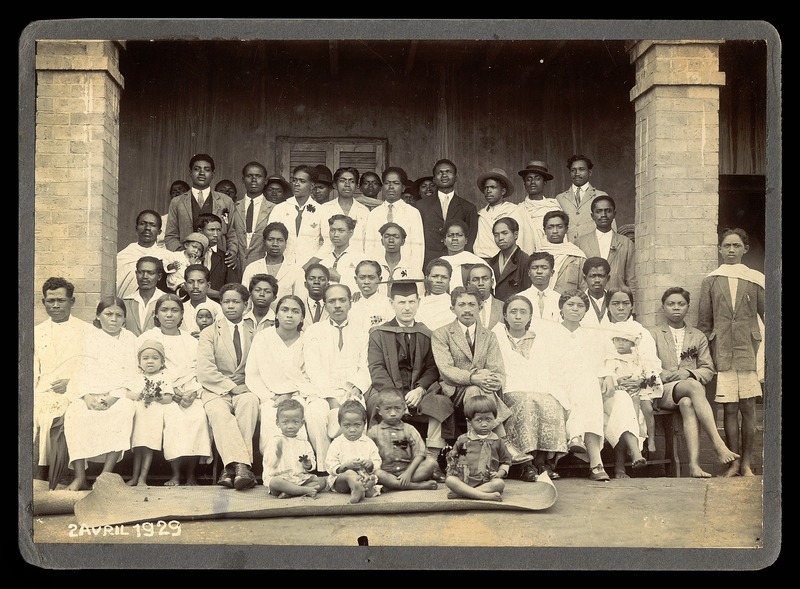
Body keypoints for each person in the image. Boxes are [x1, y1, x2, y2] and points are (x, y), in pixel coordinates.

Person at [365, 279, 455, 483]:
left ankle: (431, 461)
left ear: (418, 302)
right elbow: (376, 368)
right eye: (401, 302)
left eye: (411, 302)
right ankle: (385, 461)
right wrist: (396, 398)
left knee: (440, 402)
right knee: (377, 403)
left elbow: (433, 368)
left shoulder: (426, 334)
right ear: (391, 303)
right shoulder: (379, 334)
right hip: (388, 390)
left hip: (417, 392)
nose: (407, 307)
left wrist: (421, 389)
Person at [431, 285, 529, 463]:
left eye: (471, 304)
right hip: (454, 391)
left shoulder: (489, 336)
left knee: (476, 391)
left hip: (482, 390)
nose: (467, 309)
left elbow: (497, 371)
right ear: (452, 308)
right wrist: (474, 377)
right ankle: (504, 443)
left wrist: (492, 382)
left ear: (480, 307)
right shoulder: (441, 334)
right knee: (475, 388)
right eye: (461, 305)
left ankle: (477, 450)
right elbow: (446, 370)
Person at [651, 287, 740, 478]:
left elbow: (708, 369)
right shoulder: (654, 334)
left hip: (686, 393)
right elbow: (647, 365)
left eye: (681, 304)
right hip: (661, 390)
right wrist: (667, 374)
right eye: (671, 304)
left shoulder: (697, 336)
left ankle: (694, 465)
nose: (676, 308)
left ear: (687, 307)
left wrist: (688, 372)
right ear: (663, 307)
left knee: (688, 403)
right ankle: (718, 444)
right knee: (694, 385)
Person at [697, 228, 765, 477]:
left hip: (749, 349)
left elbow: (766, 315)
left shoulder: (755, 279)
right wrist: (706, 356)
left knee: (748, 408)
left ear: (745, 249)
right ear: (719, 249)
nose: (731, 250)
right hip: (722, 351)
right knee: (729, 409)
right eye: (727, 246)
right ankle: (733, 463)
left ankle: (747, 463)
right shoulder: (711, 280)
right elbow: (704, 322)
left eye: (736, 246)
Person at [245, 294, 331, 475]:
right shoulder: (263, 338)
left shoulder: (308, 339)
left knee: (317, 412)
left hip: (304, 393)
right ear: (276, 315)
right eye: (284, 310)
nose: (289, 315)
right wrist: (271, 397)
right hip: (271, 396)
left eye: (295, 311)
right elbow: (253, 374)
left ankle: (323, 469)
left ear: (302, 317)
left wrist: (293, 394)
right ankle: (275, 471)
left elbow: (315, 374)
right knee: (271, 415)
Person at [61, 296, 138, 491]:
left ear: (124, 319)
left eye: (119, 315)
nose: (114, 319)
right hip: (89, 394)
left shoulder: (131, 340)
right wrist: (86, 396)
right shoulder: (88, 338)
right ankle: (80, 477)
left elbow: (133, 374)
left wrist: (114, 397)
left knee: (124, 412)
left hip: (118, 395)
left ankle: (105, 475)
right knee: (75, 413)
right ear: (98, 316)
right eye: (108, 314)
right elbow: (79, 370)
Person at [136, 294, 213, 486]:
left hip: (189, 391)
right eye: (164, 310)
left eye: (174, 310)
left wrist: (193, 392)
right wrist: (174, 394)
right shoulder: (148, 337)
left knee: (198, 417)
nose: (169, 315)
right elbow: (145, 368)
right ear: (156, 314)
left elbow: (199, 370)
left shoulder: (191, 341)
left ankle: (192, 475)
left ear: (181, 315)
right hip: (163, 394)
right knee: (175, 420)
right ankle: (176, 474)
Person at [492, 295, 568, 482]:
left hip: (538, 385)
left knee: (551, 402)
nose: (518, 316)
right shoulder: (497, 337)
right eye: (513, 312)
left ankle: (543, 463)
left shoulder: (540, 339)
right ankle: (525, 465)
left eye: (523, 312)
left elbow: (548, 367)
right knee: (525, 402)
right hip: (510, 386)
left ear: (530, 316)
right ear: (505, 316)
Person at [196, 283, 260, 490]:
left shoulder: (255, 331)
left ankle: (229, 469)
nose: (230, 306)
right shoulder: (209, 332)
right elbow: (205, 370)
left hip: (246, 387)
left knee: (249, 404)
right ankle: (241, 466)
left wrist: (245, 386)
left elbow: (261, 363)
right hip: (217, 389)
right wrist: (231, 387)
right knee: (219, 413)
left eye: (235, 302)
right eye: (226, 302)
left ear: (246, 304)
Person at [33, 277, 95, 480]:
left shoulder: (86, 331)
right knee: (35, 416)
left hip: (75, 392)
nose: (56, 305)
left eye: (61, 300)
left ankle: (65, 474)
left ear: (72, 301)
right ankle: (37, 475)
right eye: (50, 301)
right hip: (43, 392)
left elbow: (92, 366)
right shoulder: (36, 332)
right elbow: (33, 370)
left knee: (66, 417)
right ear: (43, 302)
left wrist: (72, 383)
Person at [549, 289, 614, 481]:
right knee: (587, 390)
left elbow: (604, 361)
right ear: (561, 307)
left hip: (583, 384)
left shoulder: (592, 335)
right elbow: (544, 363)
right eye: (570, 304)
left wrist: (608, 374)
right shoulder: (550, 333)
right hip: (556, 384)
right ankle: (595, 463)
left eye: (580, 305)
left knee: (588, 384)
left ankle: (578, 439)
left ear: (586, 310)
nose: (575, 309)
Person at [303, 283, 372, 438]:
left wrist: (356, 388)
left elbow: (365, 364)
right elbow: (313, 368)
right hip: (321, 393)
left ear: (350, 303)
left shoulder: (361, 331)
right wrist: (331, 398)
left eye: (342, 300)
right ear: (325, 306)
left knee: (356, 416)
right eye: (332, 301)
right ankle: (323, 462)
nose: (338, 305)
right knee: (314, 415)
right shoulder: (314, 331)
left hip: (350, 391)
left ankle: (354, 461)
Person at [604, 285, 662, 454]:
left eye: (625, 303)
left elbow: (651, 364)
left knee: (641, 404)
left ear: (632, 305)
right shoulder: (601, 330)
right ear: (608, 306)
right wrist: (615, 380)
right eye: (615, 303)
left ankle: (638, 443)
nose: (621, 308)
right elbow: (601, 363)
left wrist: (639, 381)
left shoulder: (641, 332)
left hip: (639, 384)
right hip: (613, 386)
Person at [164, 154, 241, 278]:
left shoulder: (225, 201)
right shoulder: (177, 202)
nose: (201, 173)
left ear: (213, 174)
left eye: (207, 169)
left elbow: (232, 232)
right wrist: (183, 255)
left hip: (218, 261)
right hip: (186, 262)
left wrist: (232, 252)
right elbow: (171, 235)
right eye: (197, 169)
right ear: (190, 172)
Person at [601, 320, 653, 479]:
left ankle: (620, 468)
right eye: (617, 340)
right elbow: (606, 378)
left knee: (623, 417)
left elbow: (652, 378)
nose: (620, 344)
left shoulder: (639, 359)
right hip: (613, 398)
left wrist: (639, 383)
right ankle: (634, 452)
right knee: (622, 410)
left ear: (632, 342)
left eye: (624, 340)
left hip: (637, 399)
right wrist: (618, 383)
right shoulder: (609, 359)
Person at [122, 339, 175, 487]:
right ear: (139, 362)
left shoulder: (164, 377)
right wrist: (137, 395)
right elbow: (128, 393)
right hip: (139, 418)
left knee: (148, 448)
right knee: (138, 447)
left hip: (153, 418)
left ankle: (142, 478)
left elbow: (168, 398)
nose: (150, 361)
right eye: (145, 358)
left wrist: (156, 397)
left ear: (162, 361)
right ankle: (134, 477)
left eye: (155, 358)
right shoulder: (137, 377)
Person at [367, 389, 440, 491]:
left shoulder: (409, 429)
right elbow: (367, 453)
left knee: (431, 463)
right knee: (378, 474)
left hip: (409, 471)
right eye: (387, 409)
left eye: (397, 408)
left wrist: (408, 473)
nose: (393, 413)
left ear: (404, 408)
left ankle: (393, 485)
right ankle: (417, 486)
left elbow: (420, 453)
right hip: (386, 472)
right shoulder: (374, 431)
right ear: (379, 411)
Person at [414, 158, 479, 270]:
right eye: (440, 172)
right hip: (428, 263)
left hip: (458, 262)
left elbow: (471, 239)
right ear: (434, 179)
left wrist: (465, 263)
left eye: (448, 172)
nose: (444, 175)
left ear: (456, 177)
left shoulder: (468, 208)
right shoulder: (420, 206)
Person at [445, 395, 513, 501]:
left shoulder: (498, 441)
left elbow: (506, 462)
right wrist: (453, 468)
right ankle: (484, 496)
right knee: (450, 480)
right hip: (465, 480)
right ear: (469, 421)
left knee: (499, 484)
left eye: (489, 419)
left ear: (494, 419)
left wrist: (499, 474)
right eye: (479, 420)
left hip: (487, 482)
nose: (484, 424)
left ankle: (464, 494)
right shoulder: (462, 440)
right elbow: (453, 458)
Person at [262, 398, 328, 498]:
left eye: (295, 422)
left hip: (300, 478)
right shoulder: (274, 441)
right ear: (278, 423)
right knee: (275, 482)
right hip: (281, 478)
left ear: (302, 423)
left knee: (322, 481)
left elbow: (311, 462)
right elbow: (269, 465)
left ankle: (291, 492)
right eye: (285, 422)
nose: (290, 426)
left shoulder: (304, 442)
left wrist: (308, 465)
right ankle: (303, 491)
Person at [363, 167, 425, 274]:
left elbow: (417, 247)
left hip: (406, 270)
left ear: (403, 187)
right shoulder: (374, 214)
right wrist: (372, 272)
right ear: (382, 187)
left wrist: (414, 273)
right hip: (379, 270)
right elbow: (369, 246)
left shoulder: (412, 213)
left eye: (396, 183)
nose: (391, 187)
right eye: (387, 183)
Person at [266, 164, 326, 267]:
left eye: (302, 181)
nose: (296, 184)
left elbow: (328, 243)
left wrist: (310, 264)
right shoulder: (280, 209)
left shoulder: (322, 211)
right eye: (294, 180)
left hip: (309, 268)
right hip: (282, 265)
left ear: (312, 186)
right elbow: (270, 238)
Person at [575, 195, 636, 296]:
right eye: (598, 211)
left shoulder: (626, 243)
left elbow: (632, 279)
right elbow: (577, 277)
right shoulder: (581, 242)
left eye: (608, 211)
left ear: (614, 214)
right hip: (588, 299)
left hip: (616, 298)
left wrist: (632, 308)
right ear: (592, 215)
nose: (603, 215)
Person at [325, 400, 382, 503]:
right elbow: (330, 465)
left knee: (371, 477)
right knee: (350, 473)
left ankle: (363, 489)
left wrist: (370, 464)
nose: (352, 430)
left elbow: (377, 460)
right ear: (340, 424)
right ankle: (357, 488)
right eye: (347, 426)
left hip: (363, 475)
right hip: (342, 481)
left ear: (364, 424)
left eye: (357, 425)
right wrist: (345, 466)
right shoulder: (337, 443)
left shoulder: (368, 442)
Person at [474, 167, 532, 259]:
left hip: (505, 259)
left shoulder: (513, 211)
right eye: (486, 188)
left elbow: (521, 239)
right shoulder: (481, 214)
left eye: (493, 187)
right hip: (481, 260)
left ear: (503, 191)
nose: (488, 191)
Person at [240, 221, 304, 303]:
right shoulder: (252, 268)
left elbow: (300, 301)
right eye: (270, 239)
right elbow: (245, 300)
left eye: (280, 240)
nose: (275, 244)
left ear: (286, 243)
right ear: (264, 242)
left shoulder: (296, 271)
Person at [555, 154, 614, 242]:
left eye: (581, 169)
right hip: (569, 248)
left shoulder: (601, 196)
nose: (577, 173)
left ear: (590, 172)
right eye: (573, 170)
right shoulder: (560, 198)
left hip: (593, 247)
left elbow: (611, 226)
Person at [116, 210, 169, 300]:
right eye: (143, 223)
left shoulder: (167, 256)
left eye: (152, 225)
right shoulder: (123, 256)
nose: (147, 228)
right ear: (136, 228)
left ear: (159, 231)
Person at [236, 161, 276, 271]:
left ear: (265, 180)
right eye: (249, 176)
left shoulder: (274, 208)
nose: (254, 180)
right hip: (235, 264)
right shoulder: (234, 207)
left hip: (262, 264)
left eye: (258, 176)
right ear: (243, 180)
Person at [311, 214, 364, 294]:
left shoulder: (360, 258)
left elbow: (365, 286)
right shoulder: (324, 259)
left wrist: (339, 278)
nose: (335, 234)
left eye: (341, 231)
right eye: (332, 230)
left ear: (351, 233)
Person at [320, 167, 370, 250]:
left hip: (357, 259)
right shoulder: (324, 209)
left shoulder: (364, 211)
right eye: (342, 181)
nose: (347, 185)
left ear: (357, 186)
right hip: (329, 259)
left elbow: (367, 243)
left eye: (352, 181)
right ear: (335, 185)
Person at [517, 160, 561, 252]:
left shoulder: (553, 208)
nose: (532, 182)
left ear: (544, 182)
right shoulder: (519, 210)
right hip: (527, 258)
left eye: (537, 178)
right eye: (529, 179)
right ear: (524, 183)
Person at [538, 210, 586, 295]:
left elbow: (584, 286)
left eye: (559, 227)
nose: (555, 231)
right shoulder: (538, 256)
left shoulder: (577, 256)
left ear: (566, 229)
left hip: (568, 303)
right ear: (544, 230)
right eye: (550, 227)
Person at [373, 222, 424, 296]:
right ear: (382, 241)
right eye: (387, 236)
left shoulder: (413, 270)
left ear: (403, 242)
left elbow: (419, 296)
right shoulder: (374, 268)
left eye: (396, 237)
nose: (391, 240)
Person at [122, 256, 169, 336]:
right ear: (136, 274)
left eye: (150, 273)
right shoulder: (126, 302)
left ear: (159, 276)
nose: (144, 277)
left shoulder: (167, 301)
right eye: (141, 272)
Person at [441, 219, 493, 291]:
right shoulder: (440, 263)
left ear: (466, 240)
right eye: (450, 235)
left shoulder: (475, 262)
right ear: (444, 241)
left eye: (459, 235)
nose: (455, 238)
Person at [488, 217, 531, 302]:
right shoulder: (492, 262)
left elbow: (528, 292)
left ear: (515, 235)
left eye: (504, 233)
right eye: (496, 235)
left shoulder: (526, 261)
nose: (500, 238)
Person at [348, 259, 395, 334]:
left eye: (371, 277)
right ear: (356, 279)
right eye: (362, 277)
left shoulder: (388, 304)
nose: (366, 282)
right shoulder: (350, 303)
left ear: (380, 280)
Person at [197, 213, 234, 300]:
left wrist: (217, 294)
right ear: (200, 231)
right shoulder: (188, 255)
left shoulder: (227, 258)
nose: (216, 234)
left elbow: (233, 289)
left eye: (218, 230)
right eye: (211, 230)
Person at [517, 252, 561, 324]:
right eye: (534, 268)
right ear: (528, 272)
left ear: (552, 273)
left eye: (544, 268)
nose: (539, 271)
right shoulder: (519, 298)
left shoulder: (559, 299)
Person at [416, 257, 457, 331]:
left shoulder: (455, 304)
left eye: (444, 277)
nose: (439, 280)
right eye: (435, 276)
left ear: (449, 280)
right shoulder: (417, 303)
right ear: (427, 278)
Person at [181, 264, 222, 337]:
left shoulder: (217, 309)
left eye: (201, 282)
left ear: (208, 285)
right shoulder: (180, 309)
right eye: (191, 282)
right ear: (185, 285)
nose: (195, 286)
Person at [467, 264, 504, 330]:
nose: (481, 283)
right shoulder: (463, 307)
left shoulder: (503, 307)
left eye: (485, 279)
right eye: (475, 280)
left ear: (492, 282)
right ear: (469, 284)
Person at [580, 257, 612, 330]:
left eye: (601, 276)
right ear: (585, 278)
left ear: (608, 278)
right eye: (592, 276)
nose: (597, 280)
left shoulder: (614, 300)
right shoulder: (578, 301)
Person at [159, 180, 191, 248]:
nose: (177, 193)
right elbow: (161, 243)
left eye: (181, 190)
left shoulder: (194, 215)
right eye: (174, 192)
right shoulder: (164, 219)